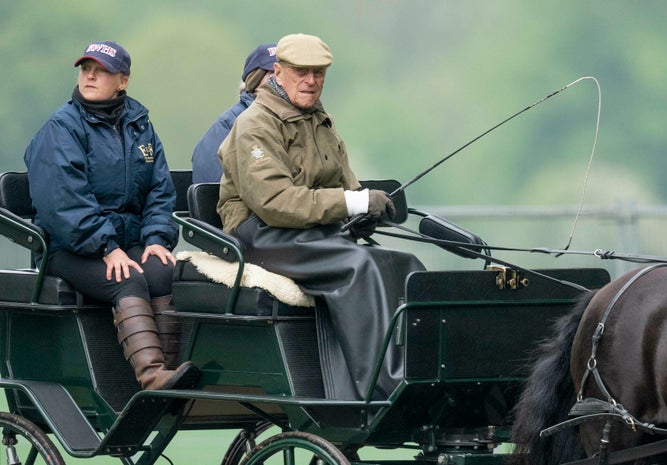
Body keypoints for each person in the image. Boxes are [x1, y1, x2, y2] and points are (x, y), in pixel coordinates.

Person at [217, 33, 425, 400]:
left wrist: (364, 212)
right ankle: (382, 387)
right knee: (357, 265)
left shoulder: (319, 121)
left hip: (312, 231)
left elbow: (346, 185)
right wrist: (353, 204)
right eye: (301, 71)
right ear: (278, 73)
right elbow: (276, 202)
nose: (311, 81)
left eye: (319, 73)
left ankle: (419, 371)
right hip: (261, 234)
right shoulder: (255, 125)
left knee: (403, 263)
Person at [23, 40, 199, 391]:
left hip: (124, 242)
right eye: (86, 68)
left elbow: (160, 189)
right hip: (68, 248)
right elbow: (64, 203)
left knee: (163, 272)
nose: (90, 75)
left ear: (123, 81)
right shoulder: (61, 128)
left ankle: (175, 374)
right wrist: (106, 246)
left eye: (100, 70)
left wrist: (156, 239)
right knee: (128, 280)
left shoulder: (139, 124)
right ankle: (152, 376)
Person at [192, 43, 277, 183]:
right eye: (273, 74)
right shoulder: (228, 125)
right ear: (255, 82)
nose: (281, 80)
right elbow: (211, 189)